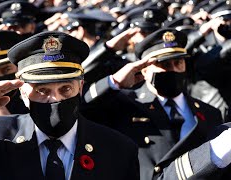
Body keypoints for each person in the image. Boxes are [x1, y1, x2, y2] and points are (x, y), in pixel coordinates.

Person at [0, 31, 139, 180]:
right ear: (22, 91)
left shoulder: (118, 149)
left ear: (81, 87)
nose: (55, 99)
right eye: (42, 91)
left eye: (65, 89)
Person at [82, 28, 224, 179]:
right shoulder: (125, 104)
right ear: (144, 70)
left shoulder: (210, 113)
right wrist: (114, 81)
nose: (174, 70)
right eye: (165, 65)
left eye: (178, 62)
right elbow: (81, 108)